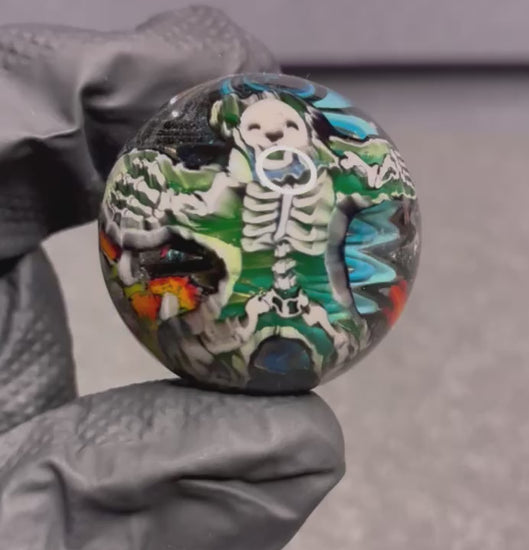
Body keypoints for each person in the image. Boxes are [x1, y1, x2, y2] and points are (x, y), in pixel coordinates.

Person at [0, 7, 344, 549]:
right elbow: (175, 227)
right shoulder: (216, 189)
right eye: (258, 132)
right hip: (222, 303)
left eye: (285, 131)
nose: (272, 141)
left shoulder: (332, 183)